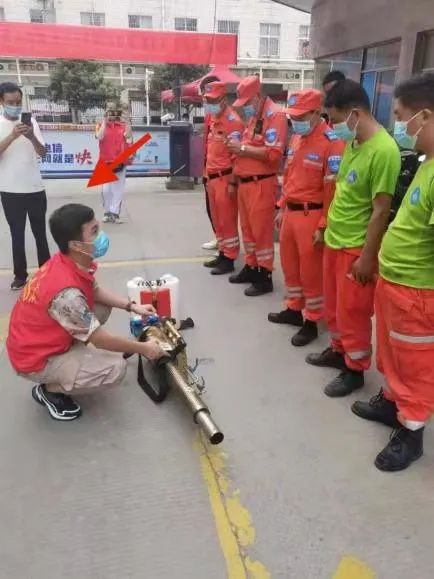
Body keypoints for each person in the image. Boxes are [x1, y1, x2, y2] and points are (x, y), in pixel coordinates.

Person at [6, 203, 165, 422]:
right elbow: (100, 340)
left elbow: (94, 290)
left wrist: (131, 306)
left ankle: (73, 353)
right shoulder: (66, 294)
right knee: (115, 369)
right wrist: (145, 348)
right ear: (75, 244)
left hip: (43, 338)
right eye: (94, 231)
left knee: (102, 307)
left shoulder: (67, 261)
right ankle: (50, 390)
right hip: (35, 359)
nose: (101, 236)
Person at [351, 73, 434, 472]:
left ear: (425, 116)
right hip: (396, 284)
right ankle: (390, 402)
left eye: (401, 116)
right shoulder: (426, 162)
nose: (398, 125)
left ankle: (411, 432)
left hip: (417, 294)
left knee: (415, 365)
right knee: (391, 353)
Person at [306, 80, 401, 397]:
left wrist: (367, 258)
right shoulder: (355, 143)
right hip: (336, 240)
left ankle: (354, 368)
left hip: (355, 248)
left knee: (354, 312)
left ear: (354, 114)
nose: (333, 127)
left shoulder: (384, 151)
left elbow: (380, 210)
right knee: (334, 307)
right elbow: (345, 189)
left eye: (335, 120)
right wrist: (325, 227)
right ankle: (338, 350)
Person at [268, 89, 345, 347]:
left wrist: (323, 225)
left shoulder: (332, 142)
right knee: (290, 266)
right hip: (291, 212)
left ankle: (312, 320)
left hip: (312, 214)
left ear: (315, 113)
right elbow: (290, 176)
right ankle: (293, 308)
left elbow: (332, 190)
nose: (295, 121)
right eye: (293, 116)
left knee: (311, 273)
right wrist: (281, 207)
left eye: (301, 116)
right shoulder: (297, 138)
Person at [227, 75, 288, 296]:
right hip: (246, 183)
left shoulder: (276, 116)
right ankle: (252, 267)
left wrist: (242, 149)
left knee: (261, 233)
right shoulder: (255, 117)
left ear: (259, 96)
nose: (245, 108)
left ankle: (265, 276)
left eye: (247, 103)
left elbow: (273, 154)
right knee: (248, 230)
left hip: (260, 184)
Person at [0, 82, 50, 291]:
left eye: (18, 102)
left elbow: (43, 152)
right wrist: (12, 136)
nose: (15, 106)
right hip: (10, 191)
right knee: (17, 235)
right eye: (11, 102)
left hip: (35, 188)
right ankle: (20, 276)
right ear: (1, 101)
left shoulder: (32, 123)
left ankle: (46, 274)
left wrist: (31, 136)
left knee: (40, 234)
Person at [202, 81, 244, 275]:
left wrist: (233, 182)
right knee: (217, 220)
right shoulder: (213, 118)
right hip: (212, 178)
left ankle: (229, 258)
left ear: (224, 99)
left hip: (225, 178)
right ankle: (222, 252)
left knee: (227, 221)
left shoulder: (233, 122)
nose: (210, 104)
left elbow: (237, 157)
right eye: (207, 100)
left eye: (213, 100)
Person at [95, 102, 133, 224]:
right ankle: (107, 212)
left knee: (118, 190)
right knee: (106, 190)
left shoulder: (122, 125)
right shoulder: (100, 125)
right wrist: (105, 121)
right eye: (109, 109)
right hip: (105, 162)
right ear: (105, 110)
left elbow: (128, 136)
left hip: (120, 163)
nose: (111, 112)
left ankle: (115, 214)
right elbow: (99, 136)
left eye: (113, 109)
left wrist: (127, 120)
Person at [199, 75, 220, 252]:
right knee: (211, 207)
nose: (204, 99)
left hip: (219, 172)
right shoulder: (210, 115)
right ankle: (218, 237)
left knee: (220, 210)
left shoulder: (221, 117)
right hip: (209, 167)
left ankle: (221, 240)